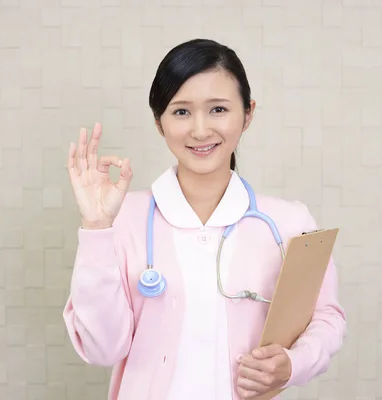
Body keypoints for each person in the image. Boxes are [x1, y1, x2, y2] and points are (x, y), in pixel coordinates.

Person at [63, 38, 347, 400]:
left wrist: (294, 363)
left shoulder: (290, 222)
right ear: (159, 122)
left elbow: (327, 318)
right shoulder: (121, 220)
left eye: (218, 109)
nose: (200, 130)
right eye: (181, 112)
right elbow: (102, 349)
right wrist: (97, 228)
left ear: (248, 113)